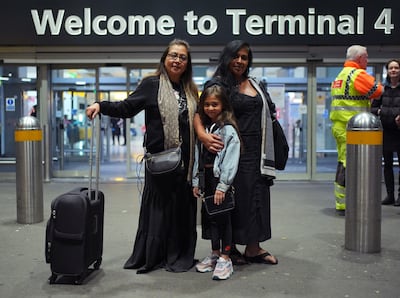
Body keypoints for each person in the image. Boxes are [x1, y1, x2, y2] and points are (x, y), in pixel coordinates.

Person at [86, 39, 199, 274]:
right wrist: (101, 105)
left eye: (183, 57)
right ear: (164, 58)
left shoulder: (190, 90)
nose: (177, 60)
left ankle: (178, 255)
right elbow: (127, 107)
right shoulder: (152, 84)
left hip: (186, 164)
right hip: (161, 162)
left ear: (188, 63)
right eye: (173, 55)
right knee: (159, 210)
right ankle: (154, 256)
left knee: (181, 210)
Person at [194, 40, 278, 266]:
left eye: (245, 57)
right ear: (227, 57)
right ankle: (229, 249)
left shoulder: (255, 83)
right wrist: (202, 135)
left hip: (256, 153)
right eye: (236, 56)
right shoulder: (217, 84)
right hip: (229, 150)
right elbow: (198, 112)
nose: (240, 61)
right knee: (232, 200)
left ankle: (253, 247)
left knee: (256, 199)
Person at [192, 83, 241, 280]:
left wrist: (223, 185)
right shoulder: (203, 128)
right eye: (207, 104)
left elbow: (231, 158)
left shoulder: (228, 129)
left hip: (220, 181)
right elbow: (198, 155)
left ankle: (225, 257)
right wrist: (196, 181)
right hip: (206, 181)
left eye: (215, 104)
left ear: (223, 106)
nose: (210, 108)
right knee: (210, 219)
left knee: (224, 219)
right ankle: (214, 253)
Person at [330, 45, 384, 216]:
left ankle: (342, 201)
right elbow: (377, 90)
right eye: (366, 57)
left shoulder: (340, 75)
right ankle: (346, 204)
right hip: (352, 129)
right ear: (359, 58)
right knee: (350, 165)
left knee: (343, 162)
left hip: (340, 127)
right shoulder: (357, 74)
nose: (367, 61)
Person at [371, 59, 400, 206]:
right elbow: (372, 108)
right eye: (391, 68)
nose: (393, 70)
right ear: (387, 71)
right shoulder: (381, 89)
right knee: (387, 165)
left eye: (396, 68)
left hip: (399, 132)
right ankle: (390, 195)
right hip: (386, 131)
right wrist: (380, 111)